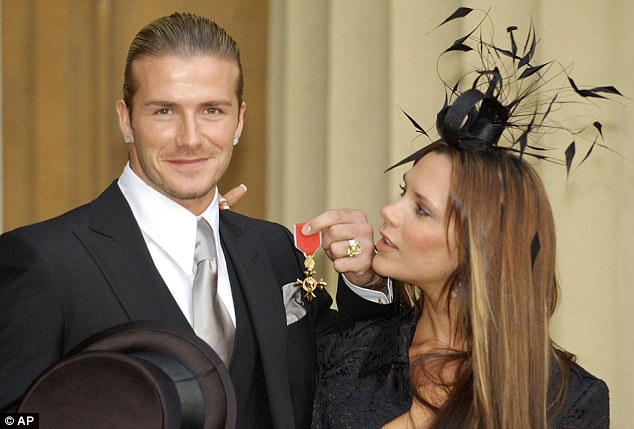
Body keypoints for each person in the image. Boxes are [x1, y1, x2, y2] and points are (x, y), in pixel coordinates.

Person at [0, 12, 382, 428]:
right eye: (164, 111)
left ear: (239, 120)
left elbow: (347, 374)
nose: (190, 138)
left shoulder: (272, 250)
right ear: (126, 119)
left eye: (212, 110)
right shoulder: (46, 261)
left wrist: (368, 284)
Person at [308, 9, 616, 429]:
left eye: (421, 208)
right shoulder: (347, 357)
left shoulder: (566, 400)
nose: (388, 211)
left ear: (480, 248)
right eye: (403, 191)